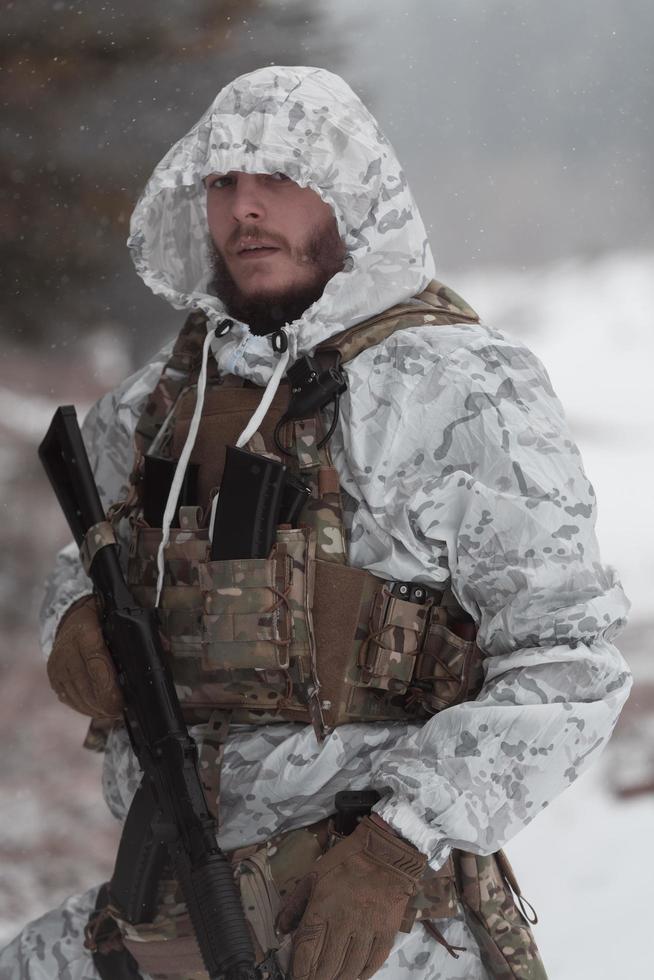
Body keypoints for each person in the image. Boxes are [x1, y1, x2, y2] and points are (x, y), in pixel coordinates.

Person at [0, 65, 631, 980]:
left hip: (371, 918)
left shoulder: (459, 390)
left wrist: (396, 846)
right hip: (171, 898)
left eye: (280, 177)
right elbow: (87, 553)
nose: (246, 208)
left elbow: (571, 658)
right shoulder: (160, 402)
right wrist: (71, 619)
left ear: (350, 191)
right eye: (223, 183)